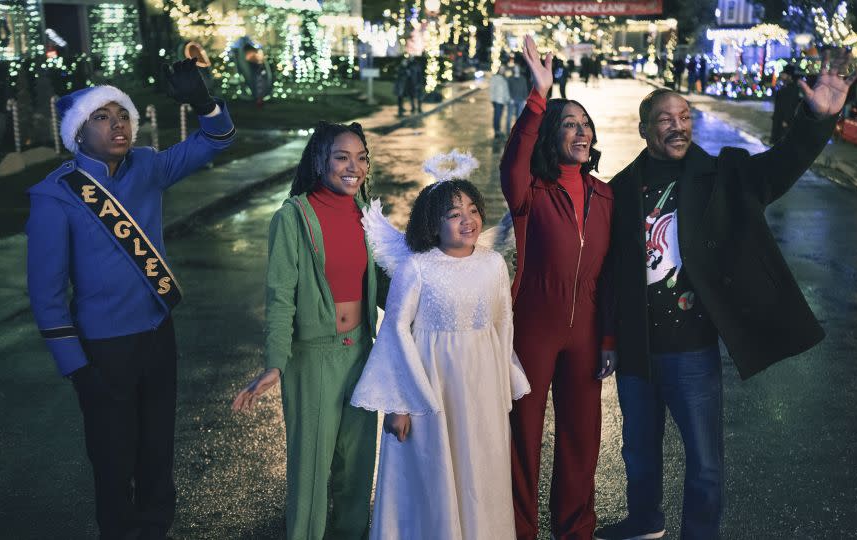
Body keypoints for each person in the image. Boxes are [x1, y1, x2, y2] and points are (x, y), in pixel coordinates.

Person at [594, 52, 857, 540]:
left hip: (691, 346)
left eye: (685, 117)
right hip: (636, 346)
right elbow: (608, 272)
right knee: (638, 449)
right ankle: (645, 521)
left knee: (705, 460)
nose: (678, 127)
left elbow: (781, 166)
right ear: (644, 129)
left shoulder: (725, 176)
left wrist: (818, 118)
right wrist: (607, 336)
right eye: (665, 120)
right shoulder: (622, 189)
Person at [25, 59, 235, 539]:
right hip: (103, 349)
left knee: (158, 453)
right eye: (102, 116)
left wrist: (205, 104)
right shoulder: (55, 196)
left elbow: (216, 142)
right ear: (77, 133)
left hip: (158, 337)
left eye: (123, 114)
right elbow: (47, 294)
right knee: (114, 460)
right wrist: (77, 369)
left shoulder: (147, 166)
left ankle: (157, 529)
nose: (117, 123)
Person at [350, 154, 531, 540]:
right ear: (433, 224)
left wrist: (501, 388)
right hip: (430, 387)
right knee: (436, 471)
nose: (467, 219)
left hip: (481, 385)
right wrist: (401, 402)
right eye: (453, 214)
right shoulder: (417, 267)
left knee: (479, 468)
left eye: (472, 209)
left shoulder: (493, 264)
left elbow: (503, 324)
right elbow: (396, 329)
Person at [231, 121, 389, 540]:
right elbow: (280, 295)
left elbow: (385, 282)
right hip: (312, 357)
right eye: (342, 157)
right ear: (320, 162)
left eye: (361, 157)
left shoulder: (366, 213)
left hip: (361, 354)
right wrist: (275, 363)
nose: (353, 167)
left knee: (356, 470)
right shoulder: (293, 218)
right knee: (311, 473)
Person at [501, 35, 615, 540]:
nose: (582, 131)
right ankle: (520, 530)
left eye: (586, 124)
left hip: (588, 329)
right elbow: (514, 162)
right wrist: (538, 96)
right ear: (552, 135)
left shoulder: (606, 195)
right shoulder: (531, 191)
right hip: (533, 326)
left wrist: (610, 338)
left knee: (582, 439)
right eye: (569, 124)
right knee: (522, 437)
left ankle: (575, 531)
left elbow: (614, 274)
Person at [771, 64, 802, 144]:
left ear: (789, 76)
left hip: (784, 121)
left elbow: (790, 105)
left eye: (784, 74)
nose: (782, 75)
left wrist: (786, 120)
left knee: (782, 142)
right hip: (779, 118)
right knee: (777, 143)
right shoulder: (785, 86)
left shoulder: (793, 89)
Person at [491, 66, 510, 138]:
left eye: (503, 70)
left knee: (499, 116)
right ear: (498, 70)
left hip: (503, 101)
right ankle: (496, 131)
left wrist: (507, 99)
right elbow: (492, 89)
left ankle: (498, 130)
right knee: (497, 116)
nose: (502, 71)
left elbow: (506, 90)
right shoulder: (495, 78)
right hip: (497, 100)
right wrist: (492, 100)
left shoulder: (505, 79)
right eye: (501, 69)